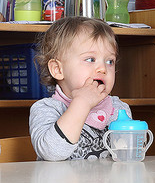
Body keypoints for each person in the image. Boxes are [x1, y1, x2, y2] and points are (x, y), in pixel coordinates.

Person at [29, 17, 131, 160]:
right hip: (61, 182)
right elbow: (51, 153)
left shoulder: (118, 108)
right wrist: (82, 103)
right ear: (58, 69)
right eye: (90, 59)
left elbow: (127, 157)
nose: (102, 68)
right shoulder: (46, 109)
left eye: (110, 61)